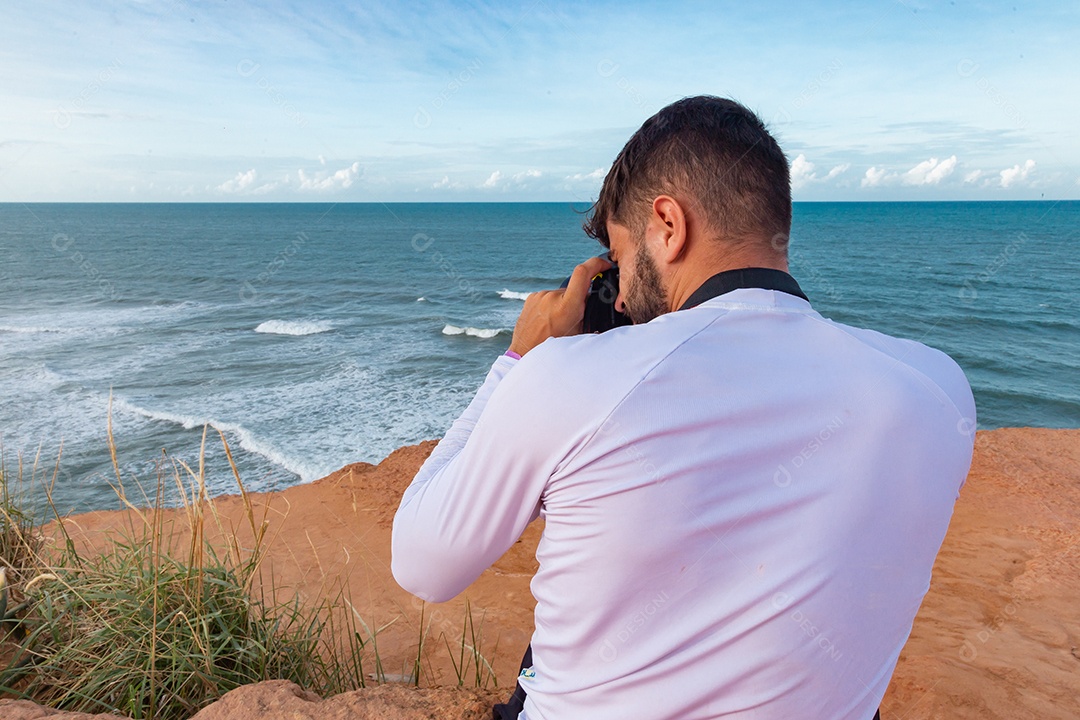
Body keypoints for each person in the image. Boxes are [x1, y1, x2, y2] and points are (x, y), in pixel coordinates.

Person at [391, 96, 976, 719]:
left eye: (618, 258)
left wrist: (519, 361)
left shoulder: (568, 378)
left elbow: (424, 565)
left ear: (667, 225)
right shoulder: (935, 386)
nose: (616, 302)